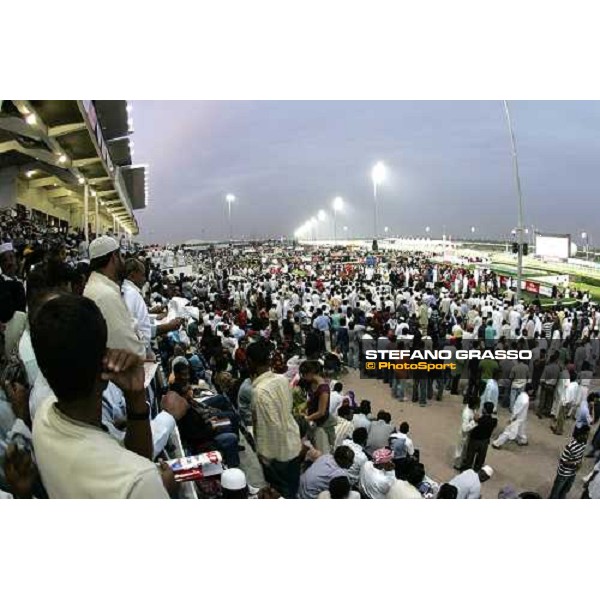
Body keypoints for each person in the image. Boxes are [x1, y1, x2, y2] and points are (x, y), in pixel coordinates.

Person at [30, 294, 170, 498]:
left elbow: (137, 458)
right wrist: (166, 489)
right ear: (103, 367)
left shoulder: (41, 419)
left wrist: (135, 398)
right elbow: (139, 469)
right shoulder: (138, 481)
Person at [247, 340, 302, 499]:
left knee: (283, 493)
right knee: (292, 489)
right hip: (293, 443)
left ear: (250, 362)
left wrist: (264, 457)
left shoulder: (259, 392)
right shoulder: (282, 379)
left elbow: (266, 430)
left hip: (278, 456)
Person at [83, 236, 145, 357]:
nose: (123, 261)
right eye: (120, 256)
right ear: (113, 258)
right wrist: (140, 343)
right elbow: (132, 350)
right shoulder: (105, 294)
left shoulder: (99, 287)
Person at [299, 360, 336, 453]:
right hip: (314, 421)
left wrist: (306, 419)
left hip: (322, 424)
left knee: (322, 451)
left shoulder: (323, 389)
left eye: (304, 374)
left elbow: (321, 412)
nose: (303, 376)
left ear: (311, 373)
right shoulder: (312, 384)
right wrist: (303, 408)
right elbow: (311, 399)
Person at [549, 426, 590, 499]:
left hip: (573, 472)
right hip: (563, 473)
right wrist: (575, 464)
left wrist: (580, 462)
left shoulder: (584, 443)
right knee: (556, 490)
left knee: (566, 488)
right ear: (580, 435)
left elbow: (581, 454)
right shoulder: (570, 447)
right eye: (585, 434)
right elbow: (563, 461)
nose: (587, 436)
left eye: (587, 435)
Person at [492, 383, 533, 449]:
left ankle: (523, 440)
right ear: (529, 390)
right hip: (518, 418)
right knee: (509, 432)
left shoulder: (522, 396)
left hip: (521, 418)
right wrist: (513, 417)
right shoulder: (525, 399)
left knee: (521, 429)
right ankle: (496, 443)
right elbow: (518, 409)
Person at [461, 401, 497, 472]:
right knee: (480, 459)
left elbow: (469, 428)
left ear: (485, 410)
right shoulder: (494, 421)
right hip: (485, 441)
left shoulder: (479, 420)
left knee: (470, 457)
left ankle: (467, 470)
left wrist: (474, 420)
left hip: (475, 440)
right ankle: (477, 470)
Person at [454, 396, 478, 469]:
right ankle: (457, 465)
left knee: (465, 450)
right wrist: (474, 422)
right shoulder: (466, 414)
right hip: (464, 435)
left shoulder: (473, 409)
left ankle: (463, 461)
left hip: (469, 434)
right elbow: (464, 428)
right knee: (460, 451)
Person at [551, 371, 579, 436]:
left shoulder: (569, 386)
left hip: (566, 403)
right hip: (570, 402)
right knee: (564, 417)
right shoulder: (576, 385)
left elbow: (566, 396)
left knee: (561, 417)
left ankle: (558, 430)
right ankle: (559, 428)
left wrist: (563, 403)